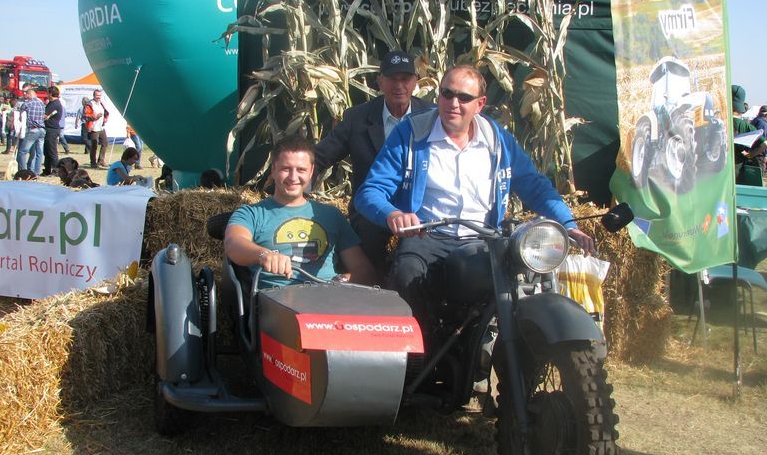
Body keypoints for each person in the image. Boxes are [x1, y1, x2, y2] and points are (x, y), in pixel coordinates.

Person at [354, 65, 594, 335]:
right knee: (406, 274)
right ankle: (416, 361)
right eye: (447, 94)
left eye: (464, 97)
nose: (453, 103)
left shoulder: (497, 139)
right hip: (427, 237)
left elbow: (535, 186)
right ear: (438, 96)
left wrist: (566, 222)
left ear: (480, 104)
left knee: (519, 288)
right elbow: (370, 192)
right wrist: (393, 214)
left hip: (484, 238)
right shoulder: (411, 133)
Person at [315, 50, 433, 281]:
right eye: (392, 79)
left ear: (415, 82)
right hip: (371, 209)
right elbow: (321, 156)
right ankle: (372, 301)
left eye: (405, 79)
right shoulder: (357, 118)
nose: (399, 85)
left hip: (419, 210)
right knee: (367, 239)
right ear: (380, 82)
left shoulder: (432, 117)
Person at [225, 135, 376, 289]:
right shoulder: (251, 214)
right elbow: (233, 244)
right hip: (277, 300)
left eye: (301, 170)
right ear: (273, 170)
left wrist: (342, 281)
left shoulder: (332, 215)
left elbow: (364, 270)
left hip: (329, 299)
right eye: (286, 169)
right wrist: (264, 255)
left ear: (311, 172)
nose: (293, 177)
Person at [732, 85, 766, 187]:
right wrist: (749, 155)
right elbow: (764, 143)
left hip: (720, 172)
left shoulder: (721, 123)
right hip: (739, 171)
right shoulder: (747, 126)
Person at [43, 86, 64, 176]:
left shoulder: (54, 104)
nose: (47, 95)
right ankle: (47, 170)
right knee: (47, 151)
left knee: (52, 151)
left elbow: (45, 115)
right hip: (50, 128)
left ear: (51, 94)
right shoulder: (53, 103)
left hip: (52, 129)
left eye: (48, 93)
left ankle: (56, 170)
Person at [88, 89, 109, 168]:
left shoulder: (101, 104)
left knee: (105, 143)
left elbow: (106, 112)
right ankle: (93, 162)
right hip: (94, 127)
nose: (98, 97)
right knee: (94, 145)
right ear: (94, 95)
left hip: (101, 127)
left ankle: (101, 160)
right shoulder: (90, 104)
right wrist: (95, 117)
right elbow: (86, 115)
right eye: (97, 95)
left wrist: (105, 118)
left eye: (100, 95)